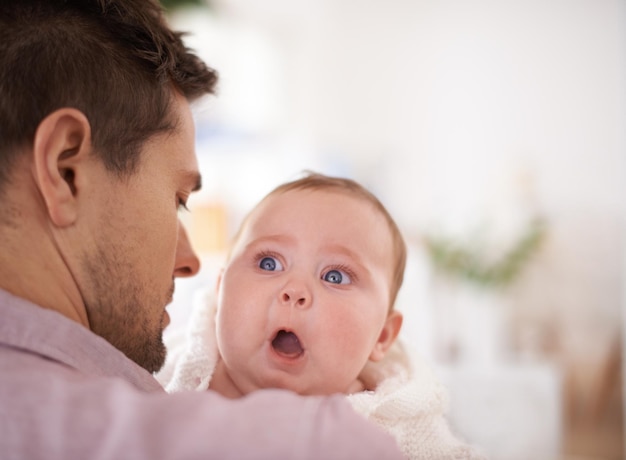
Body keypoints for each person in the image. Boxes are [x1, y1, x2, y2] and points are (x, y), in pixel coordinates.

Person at [0, 2, 405, 459]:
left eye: (335, 275)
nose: (190, 259)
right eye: (178, 200)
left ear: (384, 335)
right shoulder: (319, 443)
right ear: (65, 169)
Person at [158, 173, 486, 459]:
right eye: (268, 263)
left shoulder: (389, 421)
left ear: (382, 336)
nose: (295, 290)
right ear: (221, 292)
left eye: (335, 276)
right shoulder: (169, 380)